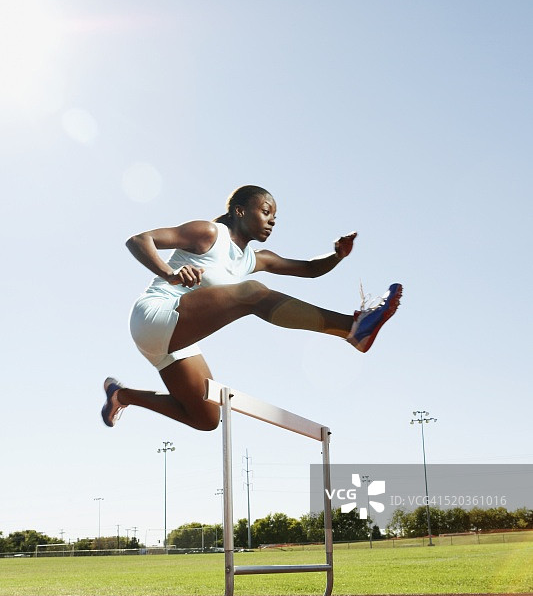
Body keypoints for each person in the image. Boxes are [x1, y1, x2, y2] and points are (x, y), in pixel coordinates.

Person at [102, 185, 402, 432]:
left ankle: (122, 395)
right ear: (240, 211)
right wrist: (169, 272)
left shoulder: (254, 259)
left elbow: (309, 269)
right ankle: (352, 328)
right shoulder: (209, 233)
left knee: (206, 418)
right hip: (154, 314)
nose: (272, 221)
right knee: (252, 293)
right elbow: (139, 240)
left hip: (176, 340)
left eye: (275, 217)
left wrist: (336, 256)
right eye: (266, 212)